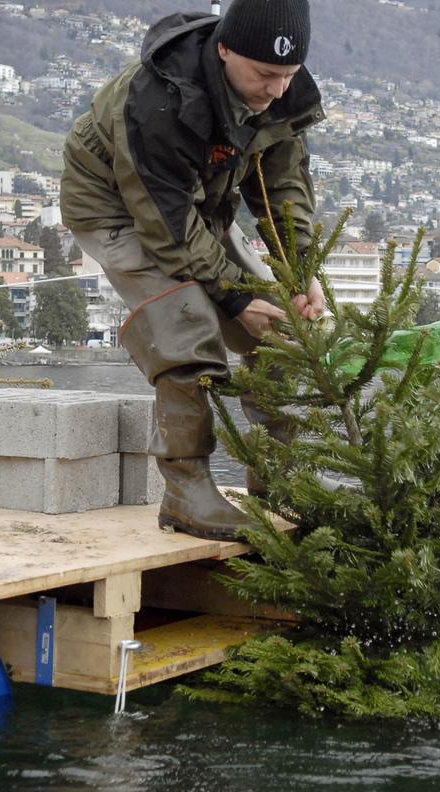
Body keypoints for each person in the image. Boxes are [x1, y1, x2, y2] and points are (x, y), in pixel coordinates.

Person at [60, 0, 326, 540]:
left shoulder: (280, 90)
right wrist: (231, 301)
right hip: (115, 203)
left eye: (288, 75)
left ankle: (279, 480)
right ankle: (186, 492)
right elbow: (164, 222)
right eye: (264, 75)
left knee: (281, 328)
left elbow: (281, 191)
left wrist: (301, 271)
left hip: (201, 202)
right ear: (225, 49)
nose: (277, 90)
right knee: (186, 327)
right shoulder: (158, 97)